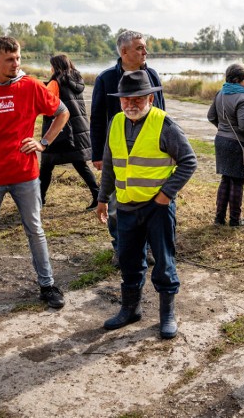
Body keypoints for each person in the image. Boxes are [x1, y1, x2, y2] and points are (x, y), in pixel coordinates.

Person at [0, 35, 71, 316]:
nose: (16, 64)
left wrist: (43, 143)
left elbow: (62, 112)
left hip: (25, 174)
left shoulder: (31, 86)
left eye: (18, 58)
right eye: (9, 59)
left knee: (35, 230)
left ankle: (48, 286)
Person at [96, 70, 197, 339]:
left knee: (164, 261)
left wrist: (166, 195)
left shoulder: (164, 125)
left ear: (150, 98)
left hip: (157, 209)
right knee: (129, 260)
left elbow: (189, 161)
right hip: (126, 207)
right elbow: (109, 165)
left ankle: (167, 314)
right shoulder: (116, 122)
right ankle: (131, 309)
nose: (131, 104)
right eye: (125, 99)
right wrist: (102, 198)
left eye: (138, 98)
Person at [90, 30, 165, 266]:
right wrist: (98, 154)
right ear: (124, 51)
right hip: (119, 156)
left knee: (152, 204)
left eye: (145, 47)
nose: (146, 52)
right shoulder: (106, 79)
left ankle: (150, 248)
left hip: (151, 154)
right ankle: (120, 247)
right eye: (140, 48)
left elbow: (162, 113)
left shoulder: (152, 75)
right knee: (116, 207)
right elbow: (97, 118)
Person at [40, 54, 100, 210]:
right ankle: (97, 195)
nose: (50, 68)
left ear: (56, 67)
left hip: (61, 130)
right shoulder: (76, 80)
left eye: (51, 66)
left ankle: (39, 199)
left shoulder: (55, 82)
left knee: (46, 165)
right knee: (80, 164)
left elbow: (47, 106)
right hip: (78, 128)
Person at [207, 63, 244, 227]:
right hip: (238, 144)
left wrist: (223, 130)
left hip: (221, 141)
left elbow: (211, 116)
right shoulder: (243, 98)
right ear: (237, 80)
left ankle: (219, 218)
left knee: (225, 180)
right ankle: (235, 221)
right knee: (237, 182)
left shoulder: (221, 92)